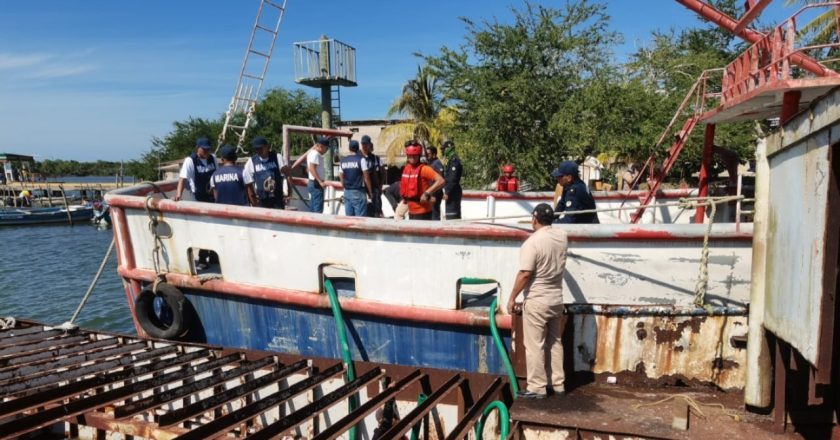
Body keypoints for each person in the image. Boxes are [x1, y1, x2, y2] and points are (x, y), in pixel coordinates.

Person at [506, 203, 569, 399]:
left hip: (537, 299)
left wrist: (512, 297)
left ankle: (537, 387)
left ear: (534, 219)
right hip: (556, 298)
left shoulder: (532, 243)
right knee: (555, 342)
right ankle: (558, 384)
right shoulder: (562, 237)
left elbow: (525, 273)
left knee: (535, 345)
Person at [399, 141, 445, 220]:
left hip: (423, 212)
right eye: (410, 155)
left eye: (415, 156)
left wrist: (427, 193)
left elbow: (441, 181)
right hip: (411, 211)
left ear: (419, 155)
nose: (412, 158)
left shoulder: (424, 169)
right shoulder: (407, 168)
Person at [244, 136, 290, 209]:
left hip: (277, 198)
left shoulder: (277, 157)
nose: (259, 151)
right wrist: (254, 201)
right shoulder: (251, 162)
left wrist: (288, 193)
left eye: (260, 148)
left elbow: (287, 176)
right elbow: (248, 183)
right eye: (256, 149)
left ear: (267, 147)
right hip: (262, 199)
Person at [174, 137, 217, 202]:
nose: (206, 151)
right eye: (204, 149)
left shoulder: (213, 158)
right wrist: (179, 195)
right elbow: (182, 178)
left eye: (208, 149)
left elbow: (217, 175)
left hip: (212, 196)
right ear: (198, 148)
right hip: (197, 197)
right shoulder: (190, 160)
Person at [339, 140, 372, 216]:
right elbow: (366, 177)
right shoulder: (361, 160)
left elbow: (340, 175)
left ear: (349, 148)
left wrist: (343, 186)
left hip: (347, 192)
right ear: (358, 149)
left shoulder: (343, 161)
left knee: (349, 219)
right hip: (358, 192)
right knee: (360, 219)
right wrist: (370, 192)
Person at [361, 135, 385, 217]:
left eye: (366, 144)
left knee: (377, 208)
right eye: (363, 144)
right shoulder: (359, 157)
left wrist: (380, 185)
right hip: (362, 187)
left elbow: (382, 173)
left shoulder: (375, 158)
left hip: (374, 187)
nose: (364, 146)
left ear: (369, 144)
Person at [440, 140, 463, 219]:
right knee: (450, 215)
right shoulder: (450, 159)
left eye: (444, 149)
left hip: (453, 192)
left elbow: (453, 178)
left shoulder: (454, 160)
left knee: (452, 216)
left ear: (449, 148)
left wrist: (447, 192)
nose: (442, 151)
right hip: (451, 191)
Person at [307, 137, 330, 213]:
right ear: (321, 146)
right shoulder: (316, 155)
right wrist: (320, 181)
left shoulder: (311, 153)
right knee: (317, 209)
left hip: (312, 182)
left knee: (313, 207)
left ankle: (311, 224)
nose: (326, 151)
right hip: (316, 184)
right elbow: (312, 168)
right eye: (326, 148)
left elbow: (308, 169)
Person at [426, 146, 445, 220]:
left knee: (435, 214)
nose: (427, 156)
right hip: (431, 192)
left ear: (434, 154)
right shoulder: (431, 163)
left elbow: (440, 181)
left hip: (435, 193)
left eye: (428, 154)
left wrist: (433, 194)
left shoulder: (437, 164)